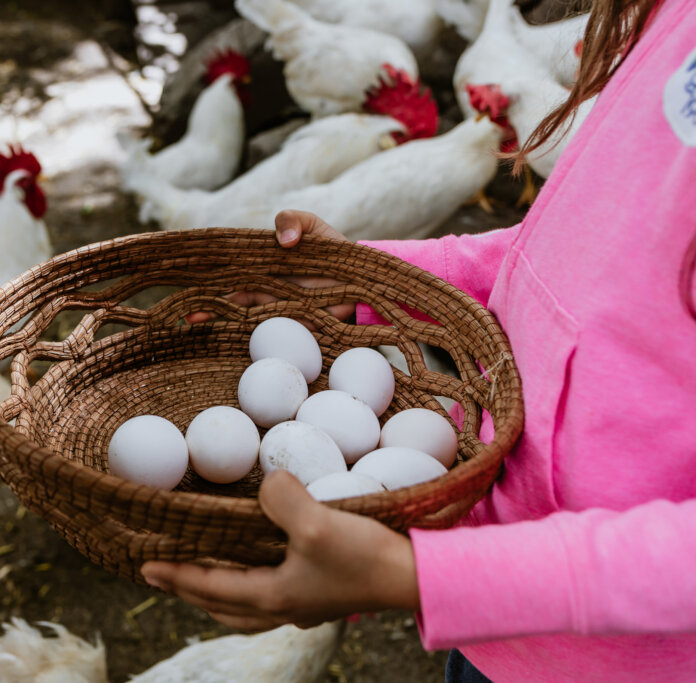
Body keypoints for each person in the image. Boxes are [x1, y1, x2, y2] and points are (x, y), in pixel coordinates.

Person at [140, 0, 696, 679]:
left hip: (615, 658)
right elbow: (591, 245)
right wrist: (375, 280)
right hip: (494, 602)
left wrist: (419, 575)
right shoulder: (676, 21)